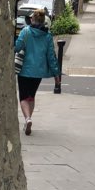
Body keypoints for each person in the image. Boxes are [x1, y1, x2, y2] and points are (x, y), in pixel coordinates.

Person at [14, 8, 60, 136]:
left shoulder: (26, 32)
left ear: (32, 19)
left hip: (24, 70)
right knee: (31, 96)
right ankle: (28, 119)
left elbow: (17, 47)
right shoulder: (47, 36)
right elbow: (51, 57)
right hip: (38, 72)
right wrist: (56, 74)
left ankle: (28, 119)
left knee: (23, 97)